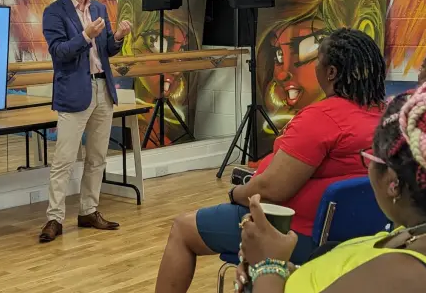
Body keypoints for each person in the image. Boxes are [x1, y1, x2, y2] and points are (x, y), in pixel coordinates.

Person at [154, 28, 387, 292]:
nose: (315, 68)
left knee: (183, 229)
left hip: (292, 232)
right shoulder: (385, 116)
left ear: (331, 72)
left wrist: (236, 193)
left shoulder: (323, 118)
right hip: (356, 238)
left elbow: (272, 189)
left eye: (317, 61)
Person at [235, 80, 426, 293]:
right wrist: (283, 273)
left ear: (393, 182)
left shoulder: (400, 275)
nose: (367, 167)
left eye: (370, 158)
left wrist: (267, 265)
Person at [39, 0, 132, 242]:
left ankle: (89, 210)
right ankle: (54, 218)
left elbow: (105, 52)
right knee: (64, 159)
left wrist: (116, 37)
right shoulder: (54, 12)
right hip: (74, 92)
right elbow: (59, 52)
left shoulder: (100, 8)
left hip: (103, 89)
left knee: (97, 157)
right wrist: (84, 35)